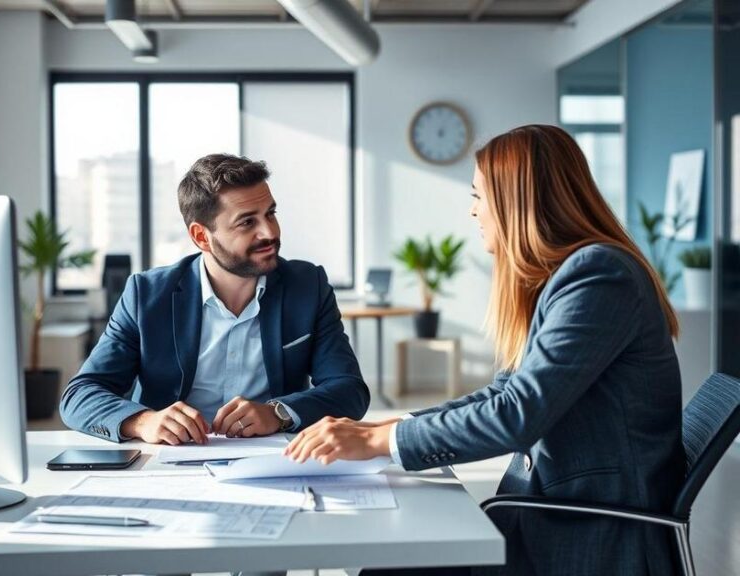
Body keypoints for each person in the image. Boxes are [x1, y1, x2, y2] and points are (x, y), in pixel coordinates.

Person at [285, 125, 686, 576]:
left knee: (392, 562)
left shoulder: (598, 276)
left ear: (518, 201)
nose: (473, 212)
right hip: (555, 511)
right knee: (394, 554)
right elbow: (505, 392)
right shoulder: (571, 275)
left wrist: (381, 441)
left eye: (479, 196)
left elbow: (517, 414)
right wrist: (395, 426)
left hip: (593, 533)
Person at [60, 154, 369, 445]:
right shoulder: (147, 295)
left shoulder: (307, 286)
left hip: (273, 456)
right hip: (171, 460)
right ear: (201, 236)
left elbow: (349, 390)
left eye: (270, 213)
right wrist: (144, 422)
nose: (269, 232)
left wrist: (278, 413)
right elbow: (80, 395)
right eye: (248, 222)